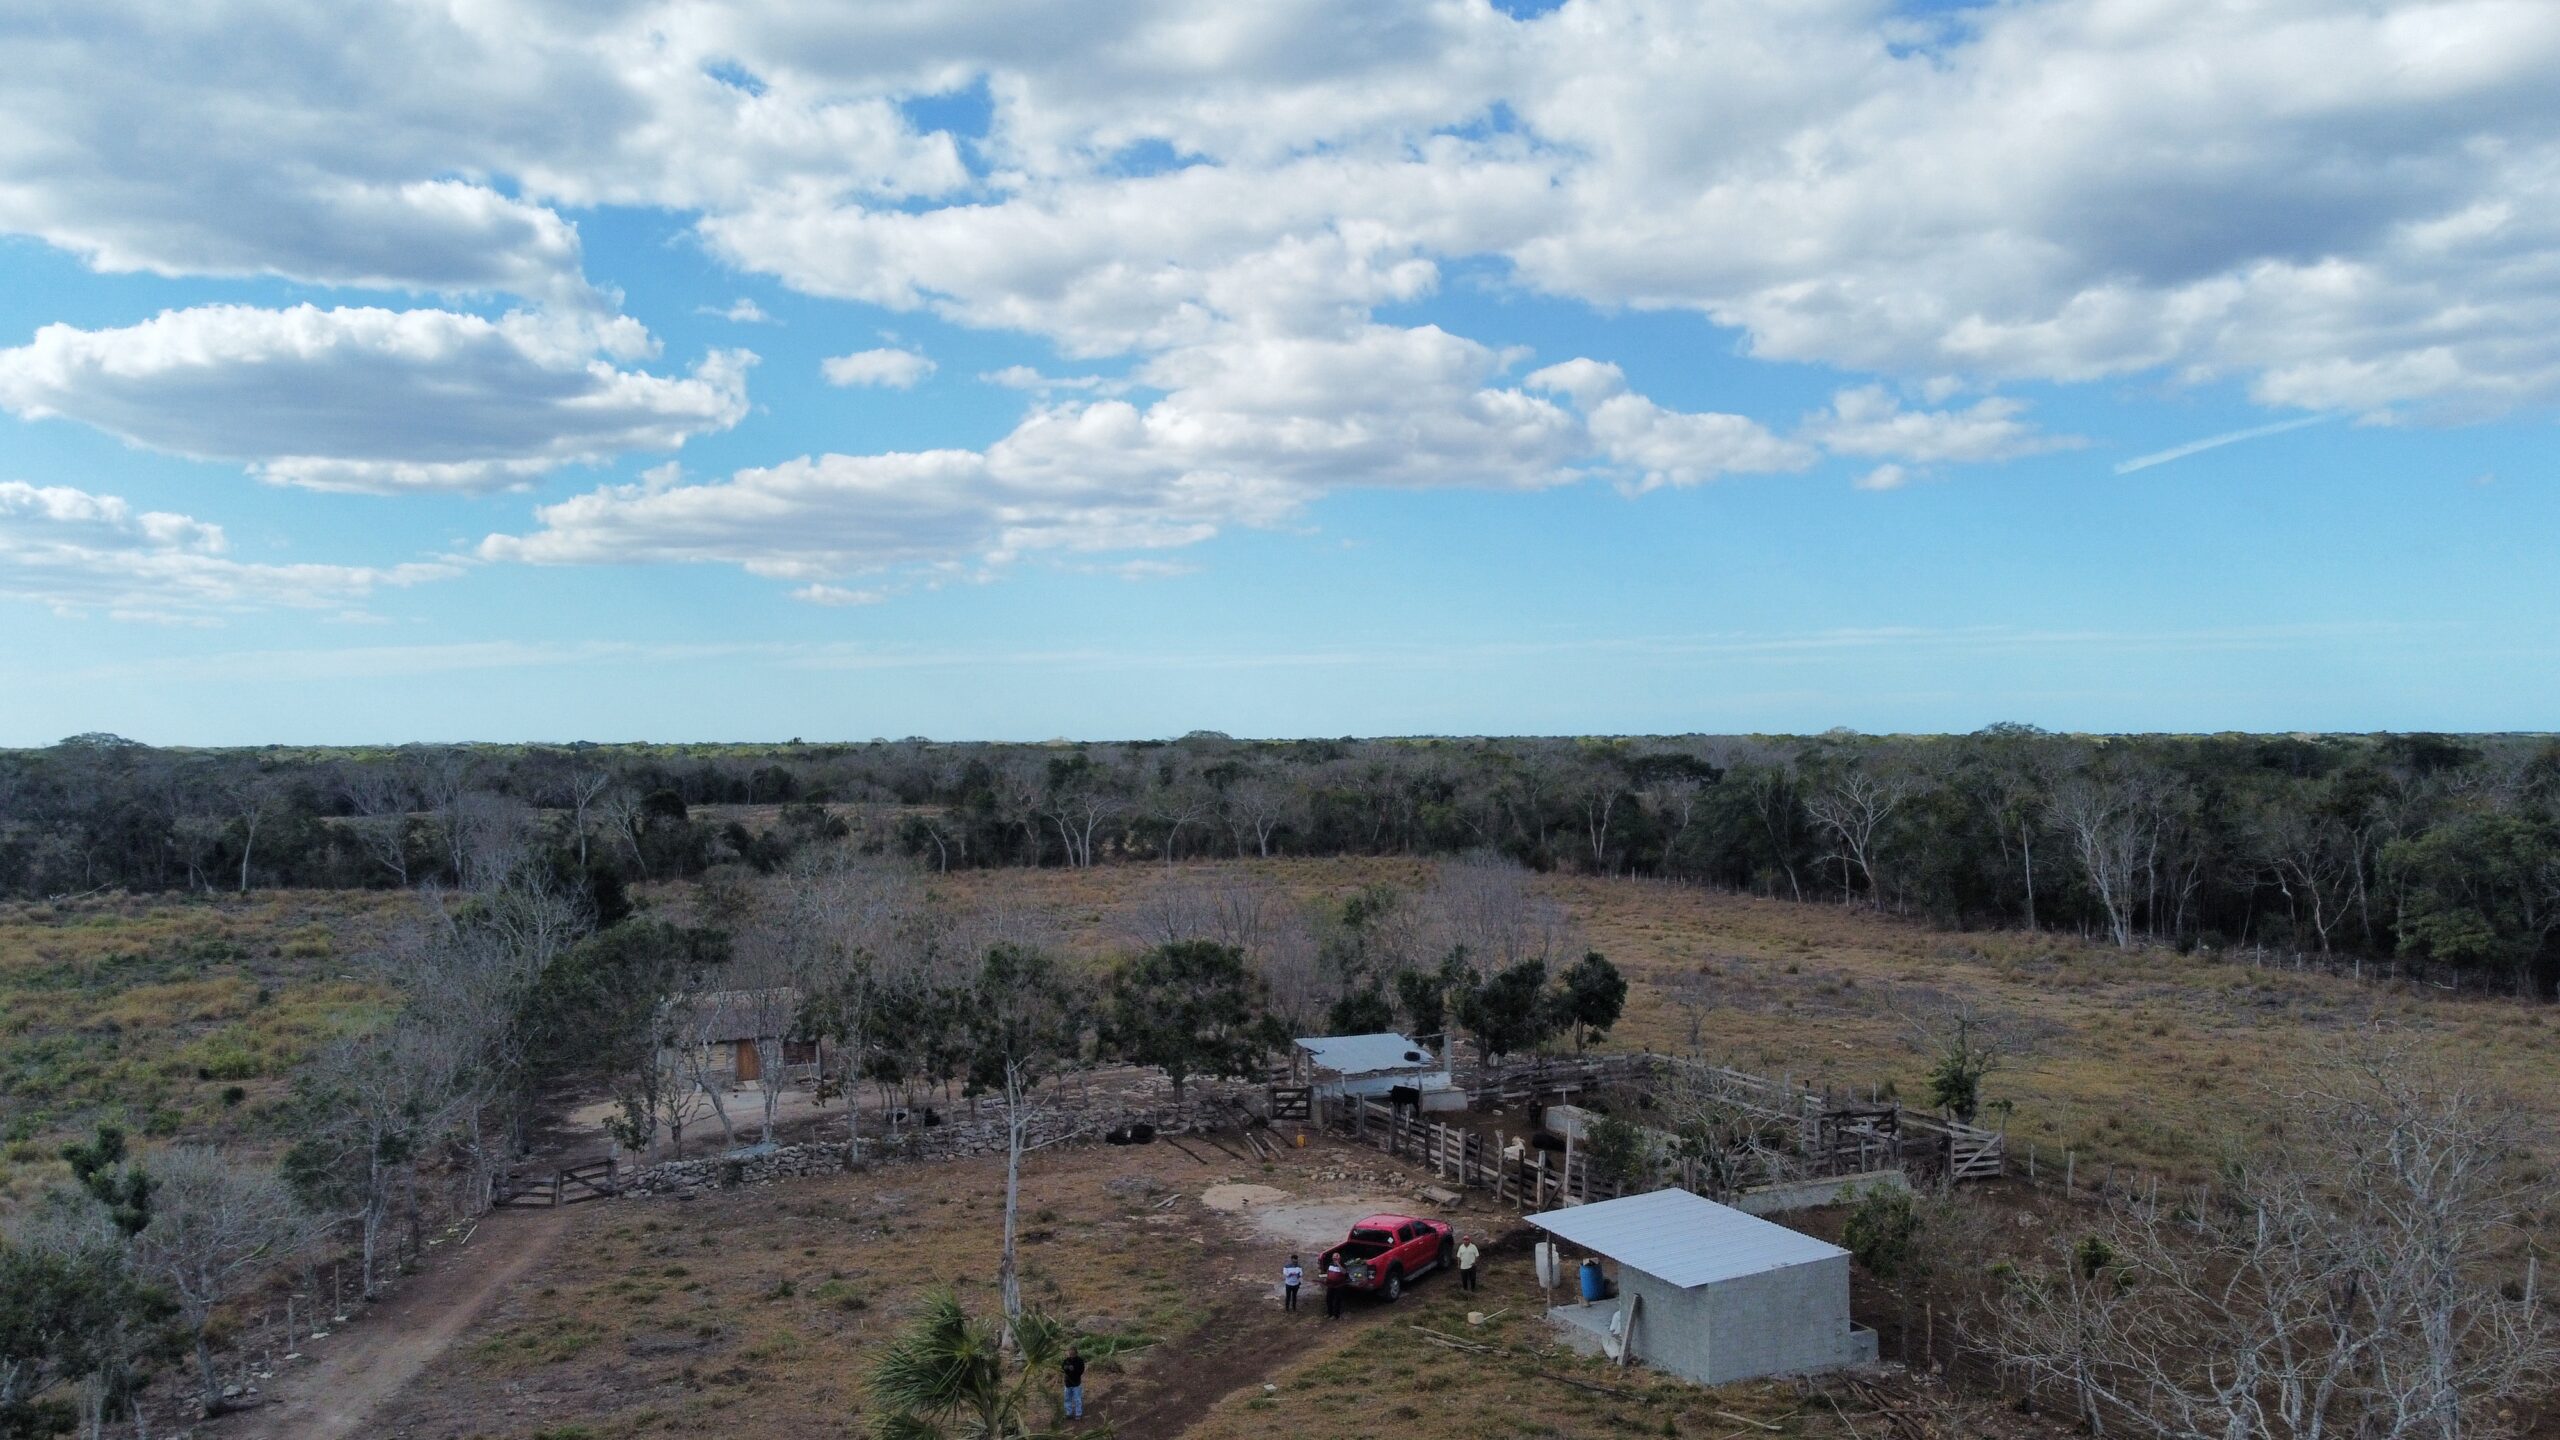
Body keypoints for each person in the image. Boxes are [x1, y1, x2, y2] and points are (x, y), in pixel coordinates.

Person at [1060, 1347, 1086, 1421]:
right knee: (1067, 1399)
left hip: (1076, 1383)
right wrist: (1065, 1368)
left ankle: (1078, 1414)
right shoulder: (1066, 1360)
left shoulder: (1080, 1361)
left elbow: (1081, 1371)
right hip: (1067, 1383)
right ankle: (1069, 1413)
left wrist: (1074, 1369)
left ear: (1076, 1353)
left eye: (1072, 1354)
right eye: (1070, 1353)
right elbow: (1062, 1367)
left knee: (1077, 1399)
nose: (1071, 1355)